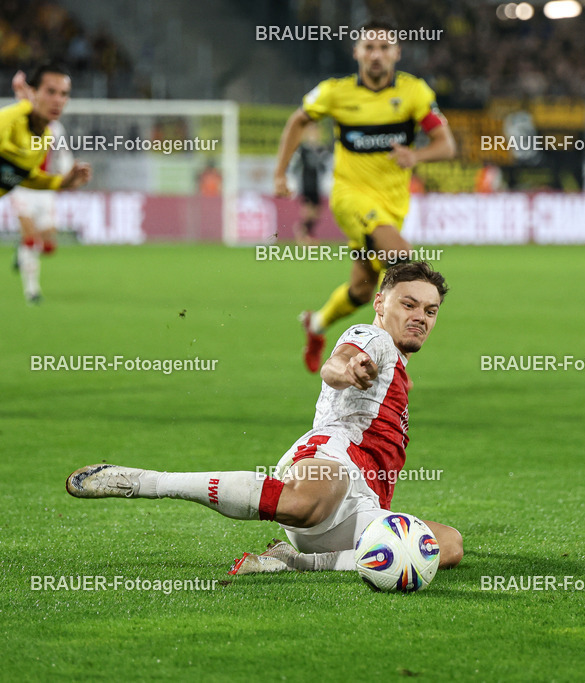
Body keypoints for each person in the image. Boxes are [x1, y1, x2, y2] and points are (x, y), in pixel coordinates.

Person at [66, 262, 464, 576]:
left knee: (447, 546)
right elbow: (335, 364)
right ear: (380, 304)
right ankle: (145, 481)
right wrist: (349, 370)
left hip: (360, 509)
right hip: (332, 463)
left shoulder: (399, 365)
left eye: (430, 311)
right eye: (408, 304)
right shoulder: (372, 340)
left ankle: (295, 561)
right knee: (313, 499)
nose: (420, 317)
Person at [272, 18, 456, 373]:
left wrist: (414, 156)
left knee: (361, 288)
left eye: (384, 48)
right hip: (350, 196)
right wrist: (280, 172)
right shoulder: (335, 92)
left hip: (392, 204)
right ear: (356, 52)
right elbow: (298, 120)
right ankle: (393, 364)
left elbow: (446, 144)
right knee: (403, 261)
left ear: (397, 53)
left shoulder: (414, 92)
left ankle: (316, 324)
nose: (376, 55)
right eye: (369, 48)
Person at [3, 64, 92, 303]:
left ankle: (22, 255)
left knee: (48, 246)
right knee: (31, 238)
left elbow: (49, 164)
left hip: (41, 191)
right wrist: (23, 100)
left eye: (63, 94)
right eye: (50, 92)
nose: (58, 100)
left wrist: (65, 178)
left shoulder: (52, 133)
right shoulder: (11, 121)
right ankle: (32, 291)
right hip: (22, 190)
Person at [287, 124, 331, 245]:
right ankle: (304, 234)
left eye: (316, 132)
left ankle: (305, 231)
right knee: (308, 210)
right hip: (306, 183)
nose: (314, 135)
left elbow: (325, 167)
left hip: (317, 184)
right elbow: (294, 166)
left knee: (317, 212)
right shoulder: (302, 149)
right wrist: (292, 181)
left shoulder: (322, 149)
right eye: (311, 132)